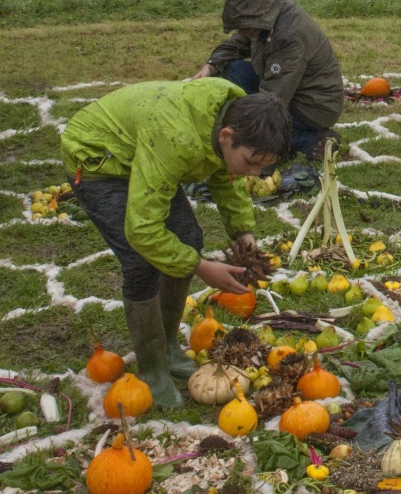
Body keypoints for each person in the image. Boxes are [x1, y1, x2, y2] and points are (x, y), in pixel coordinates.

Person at [61, 79, 291, 405]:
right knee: (141, 260)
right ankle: (152, 369)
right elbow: (142, 230)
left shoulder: (234, 116)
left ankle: (168, 347)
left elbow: (227, 176)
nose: (254, 172)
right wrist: (200, 267)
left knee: (188, 237)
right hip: (100, 157)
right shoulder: (178, 138)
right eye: (252, 162)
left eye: (263, 166)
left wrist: (244, 234)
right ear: (226, 137)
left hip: (145, 151)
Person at [192, 0, 344, 161]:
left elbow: (272, 100)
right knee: (234, 70)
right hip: (293, 90)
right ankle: (278, 139)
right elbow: (235, 45)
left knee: (256, 120)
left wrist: (239, 128)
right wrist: (210, 66)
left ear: (256, 18)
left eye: (244, 26)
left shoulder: (289, 37)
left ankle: (313, 141)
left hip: (314, 106)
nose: (241, 31)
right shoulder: (264, 15)